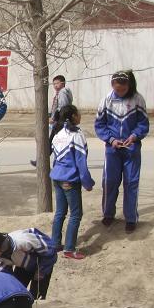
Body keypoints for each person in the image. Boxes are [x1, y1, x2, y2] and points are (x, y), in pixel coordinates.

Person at [94, 69, 149, 233]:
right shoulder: (106, 100)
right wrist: (111, 140)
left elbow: (143, 124)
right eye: (118, 89)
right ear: (112, 85)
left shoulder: (138, 99)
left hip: (132, 149)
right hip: (112, 150)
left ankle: (131, 218)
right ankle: (108, 214)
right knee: (109, 182)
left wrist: (134, 136)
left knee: (131, 183)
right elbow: (99, 125)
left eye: (124, 89)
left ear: (129, 86)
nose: (121, 92)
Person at [50, 105, 96, 259]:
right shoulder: (76, 135)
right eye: (78, 113)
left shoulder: (58, 134)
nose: (80, 115)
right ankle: (69, 249)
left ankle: (54, 244)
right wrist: (87, 182)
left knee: (60, 212)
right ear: (73, 116)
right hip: (69, 179)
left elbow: (56, 159)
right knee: (76, 214)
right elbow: (81, 162)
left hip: (57, 177)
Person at [0, 227, 58, 300]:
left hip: (43, 262)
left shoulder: (23, 241)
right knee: (16, 294)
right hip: (23, 265)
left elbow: (50, 251)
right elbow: (8, 278)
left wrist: (42, 271)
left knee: (36, 297)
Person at [31, 74, 74, 166]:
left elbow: (62, 107)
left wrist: (54, 118)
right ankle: (43, 160)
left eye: (57, 83)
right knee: (53, 142)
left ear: (63, 83)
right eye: (54, 84)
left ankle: (41, 161)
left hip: (61, 122)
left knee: (51, 142)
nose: (55, 86)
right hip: (62, 121)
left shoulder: (62, 92)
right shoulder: (63, 92)